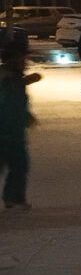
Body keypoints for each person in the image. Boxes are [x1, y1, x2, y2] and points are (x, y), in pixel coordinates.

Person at [0, 41, 41, 210]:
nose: (26, 62)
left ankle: (13, 197)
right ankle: (14, 197)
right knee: (19, 164)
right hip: (7, 130)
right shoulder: (9, 79)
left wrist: (26, 117)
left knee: (18, 164)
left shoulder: (12, 77)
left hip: (12, 128)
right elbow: (9, 104)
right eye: (24, 58)